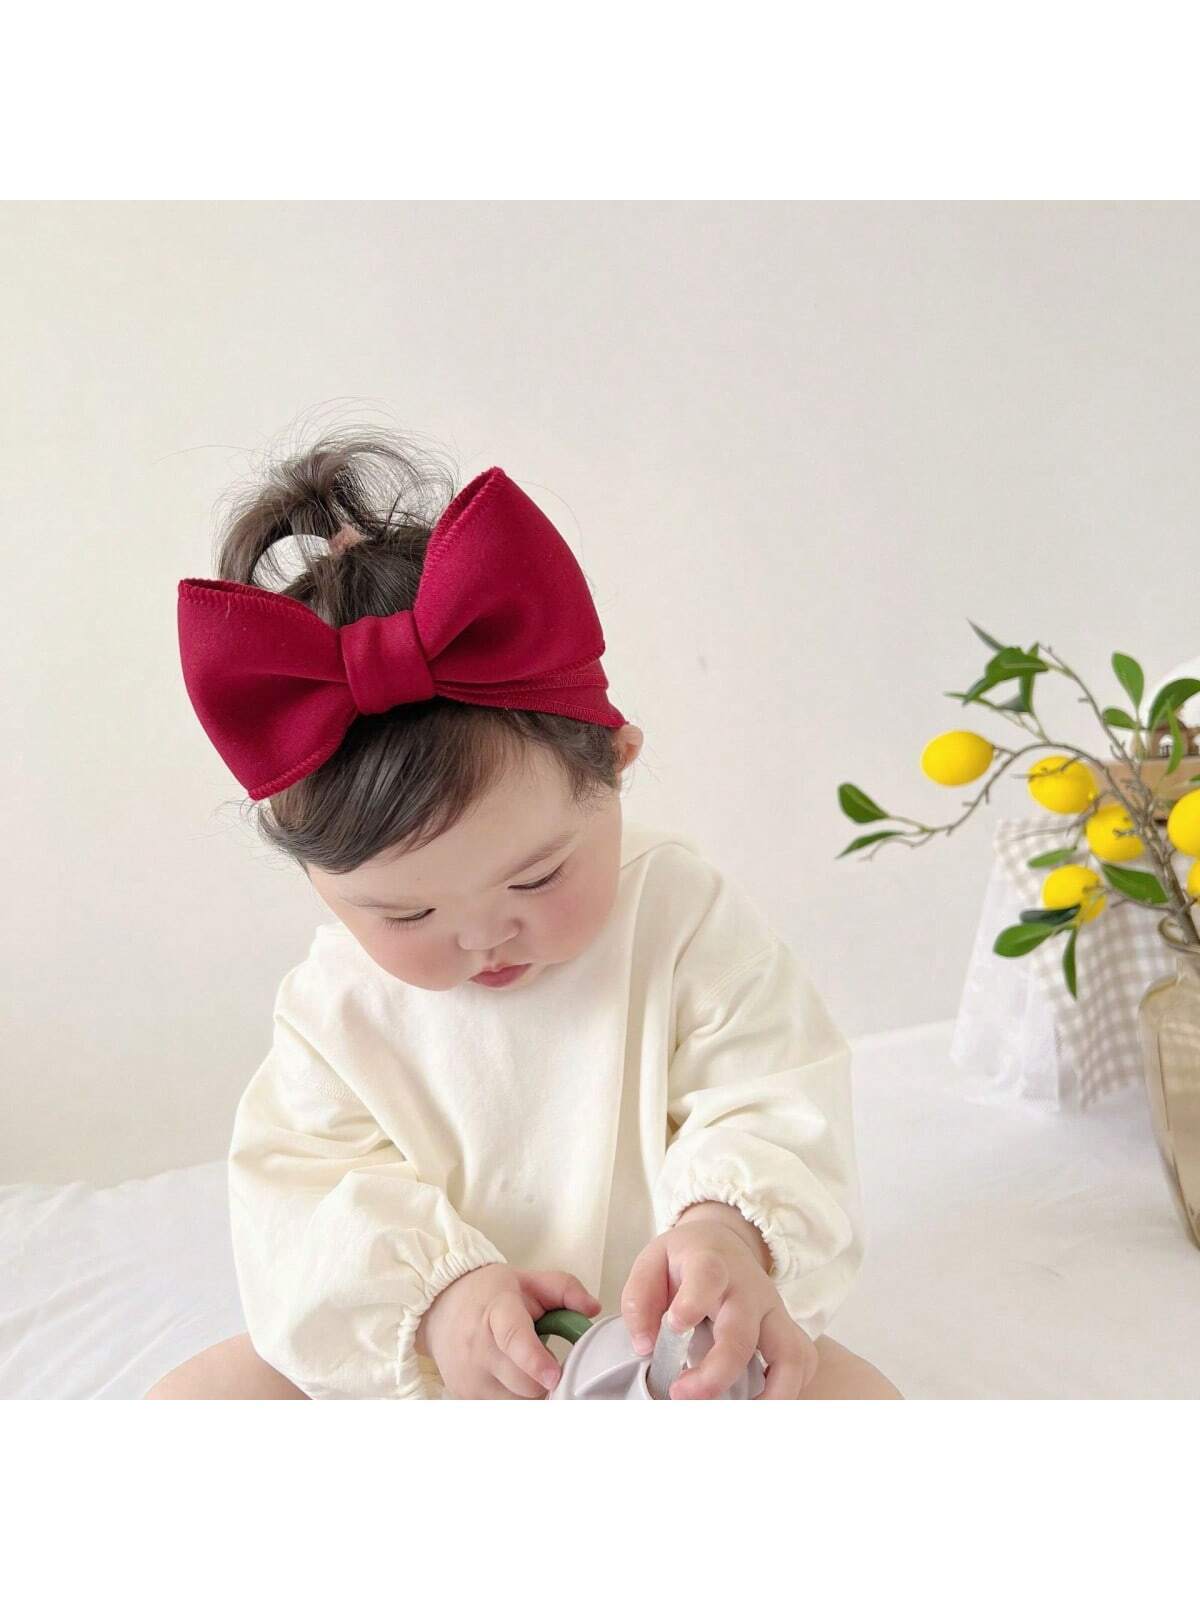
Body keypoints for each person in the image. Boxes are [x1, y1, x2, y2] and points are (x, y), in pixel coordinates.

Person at [147, 431, 901, 1401]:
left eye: (537, 879)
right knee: (194, 1402)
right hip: (442, 1370)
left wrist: (727, 1232)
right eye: (407, 912)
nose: (481, 937)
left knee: (857, 1399)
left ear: (616, 764)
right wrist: (440, 1302)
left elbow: (769, 1090)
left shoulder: (679, 915)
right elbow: (302, 1196)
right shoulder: (336, 1007)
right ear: (316, 880)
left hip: (668, 1350)